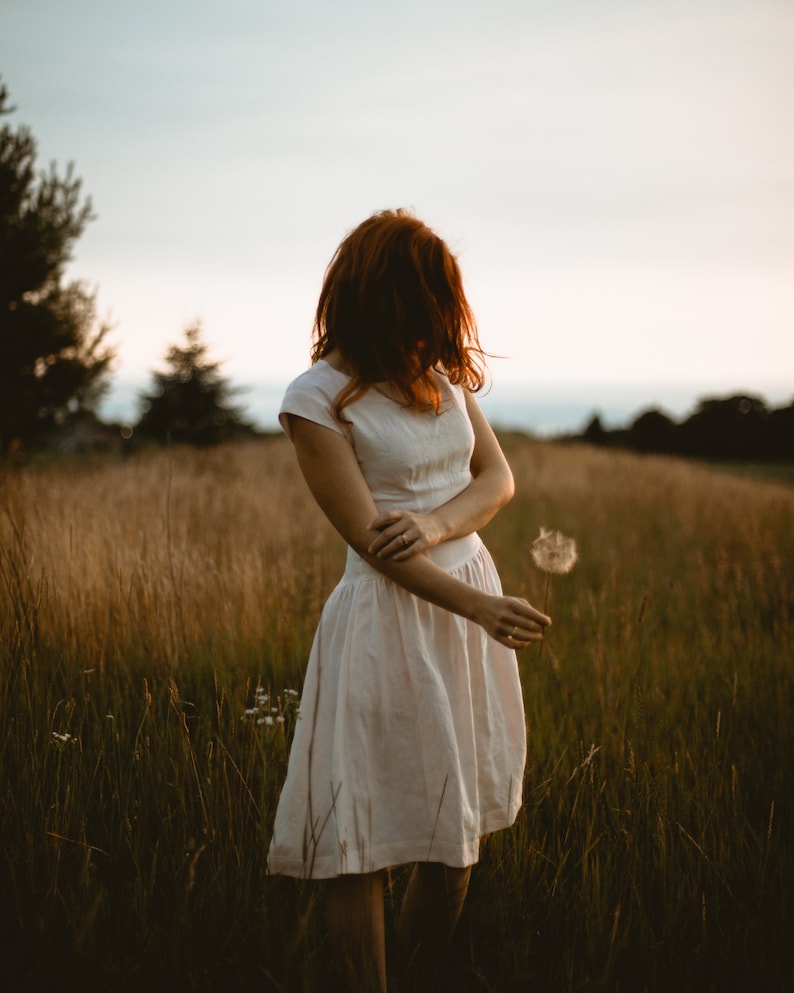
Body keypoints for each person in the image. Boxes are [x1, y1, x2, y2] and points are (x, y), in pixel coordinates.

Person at [267, 209, 551, 992]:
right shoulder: (316, 396)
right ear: (374, 296)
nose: (432, 323)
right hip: (385, 618)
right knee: (359, 822)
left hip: (466, 603)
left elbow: (497, 480)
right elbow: (369, 540)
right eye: (419, 302)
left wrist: (435, 521)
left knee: (453, 833)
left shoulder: (446, 378)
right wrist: (479, 607)